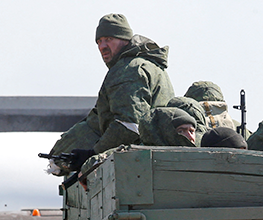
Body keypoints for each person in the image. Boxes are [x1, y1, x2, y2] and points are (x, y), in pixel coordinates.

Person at [49, 13, 175, 161]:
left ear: (125, 40)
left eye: (109, 39)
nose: (102, 46)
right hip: (156, 157)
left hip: (140, 162)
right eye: (99, 41)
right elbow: (97, 122)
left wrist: (93, 154)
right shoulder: (149, 65)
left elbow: (129, 125)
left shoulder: (128, 70)